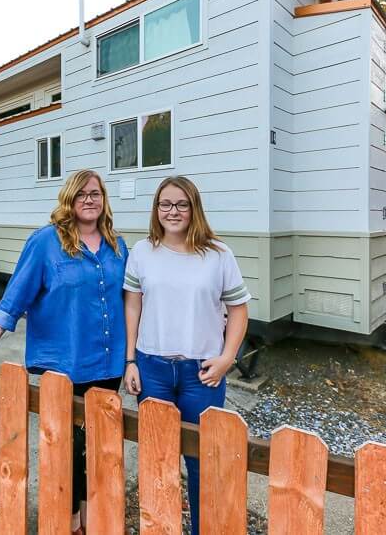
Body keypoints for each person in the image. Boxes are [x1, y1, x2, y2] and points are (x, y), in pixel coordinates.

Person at [0, 169, 127, 534]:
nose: (89, 199)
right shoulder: (46, 242)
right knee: (67, 448)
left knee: (96, 447)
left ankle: (88, 514)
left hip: (108, 361)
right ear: (69, 198)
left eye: (96, 193)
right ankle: (67, 519)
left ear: (104, 199)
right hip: (64, 363)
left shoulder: (117, 245)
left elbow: (133, 300)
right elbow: (14, 299)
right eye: (81, 193)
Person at [122, 175, 249, 535]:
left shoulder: (218, 255)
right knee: (157, 457)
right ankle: (160, 526)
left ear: (194, 208)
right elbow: (133, 306)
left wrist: (227, 358)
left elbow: (239, 309)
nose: (173, 211)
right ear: (156, 208)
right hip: (153, 368)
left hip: (202, 374)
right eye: (165, 204)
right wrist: (130, 360)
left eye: (181, 204)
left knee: (202, 461)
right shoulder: (142, 251)